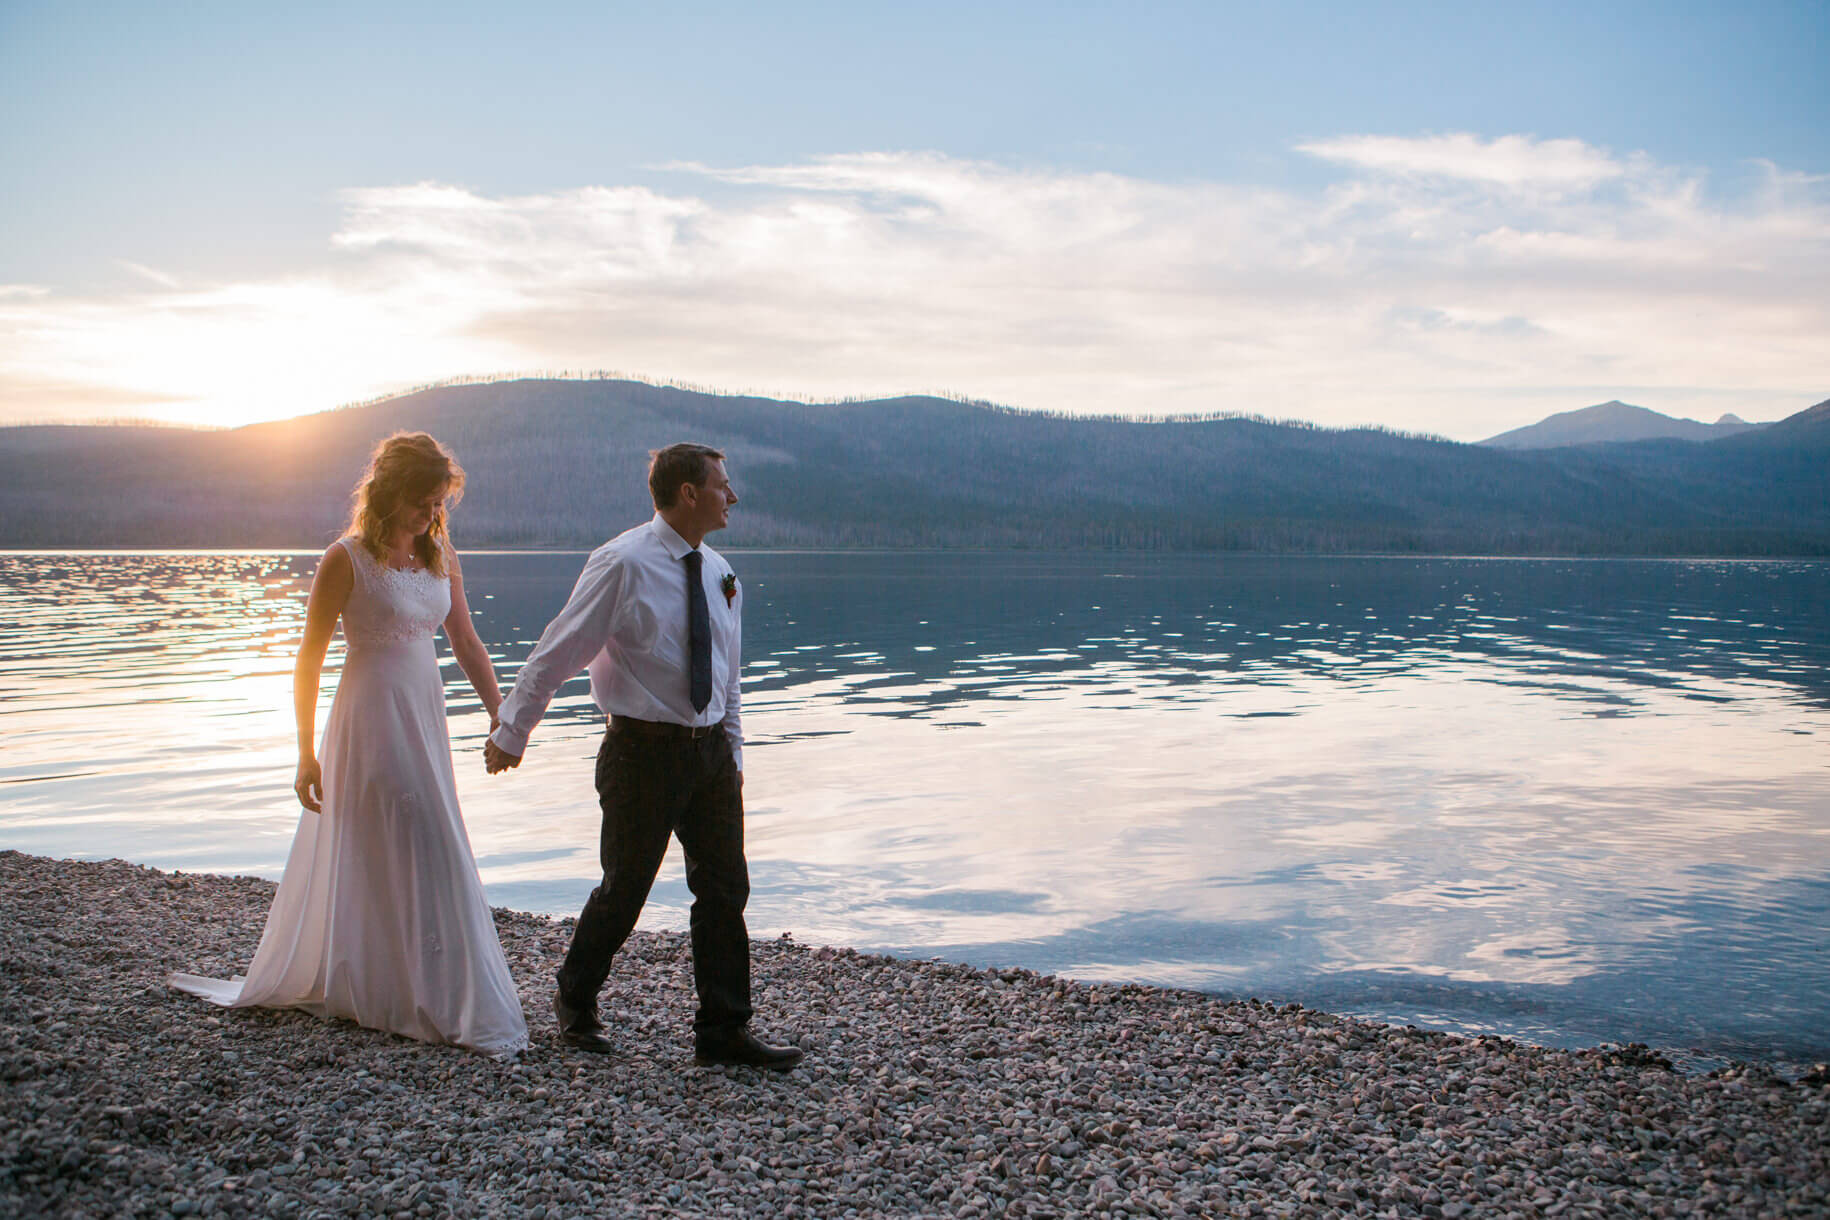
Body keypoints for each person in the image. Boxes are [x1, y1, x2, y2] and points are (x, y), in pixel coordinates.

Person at [169, 432, 528, 1057]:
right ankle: (417, 994)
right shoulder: (346, 558)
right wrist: (305, 752)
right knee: (421, 835)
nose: (432, 513)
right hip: (369, 716)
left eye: (439, 501)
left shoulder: (441, 552)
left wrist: (503, 717)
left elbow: (467, 643)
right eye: (423, 500)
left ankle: (401, 985)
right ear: (391, 493)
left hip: (424, 711)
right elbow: (307, 660)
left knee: (413, 835)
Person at [483, 442, 801, 1069]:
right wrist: (512, 730)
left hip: (709, 755)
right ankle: (574, 999)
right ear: (689, 493)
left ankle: (723, 1028)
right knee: (625, 888)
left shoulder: (721, 574)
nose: (731, 496)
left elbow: (728, 673)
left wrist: (732, 753)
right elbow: (559, 649)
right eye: (722, 485)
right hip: (641, 754)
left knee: (724, 888)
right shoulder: (621, 563)